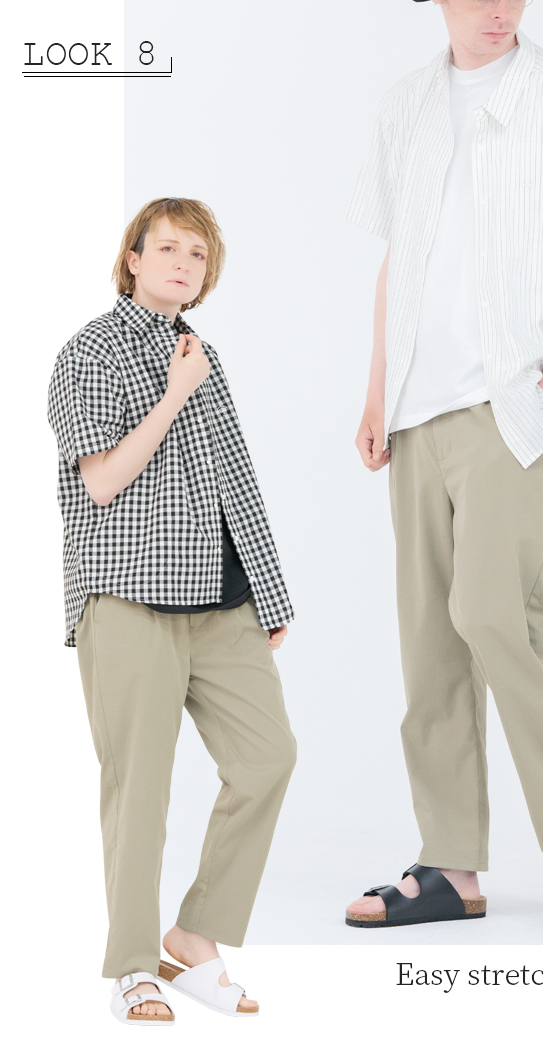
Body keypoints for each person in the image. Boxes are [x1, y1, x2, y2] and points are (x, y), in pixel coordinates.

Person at [345, 0, 543, 932]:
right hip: (415, 407)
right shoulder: (405, 104)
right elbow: (400, 260)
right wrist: (377, 390)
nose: (499, 8)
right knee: (429, 638)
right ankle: (449, 863)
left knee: (497, 616)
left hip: (506, 405)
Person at [47, 198, 297, 1024]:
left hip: (222, 601)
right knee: (139, 787)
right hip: (128, 598)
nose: (184, 264)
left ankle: (192, 934)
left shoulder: (201, 354)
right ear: (133, 259)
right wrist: (173, 392)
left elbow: (236, 478)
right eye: (167, 248)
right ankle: (131, 966)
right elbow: (101, 481)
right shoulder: (90, 351)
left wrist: (267, 589)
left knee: (267, 759)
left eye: (197, 253)